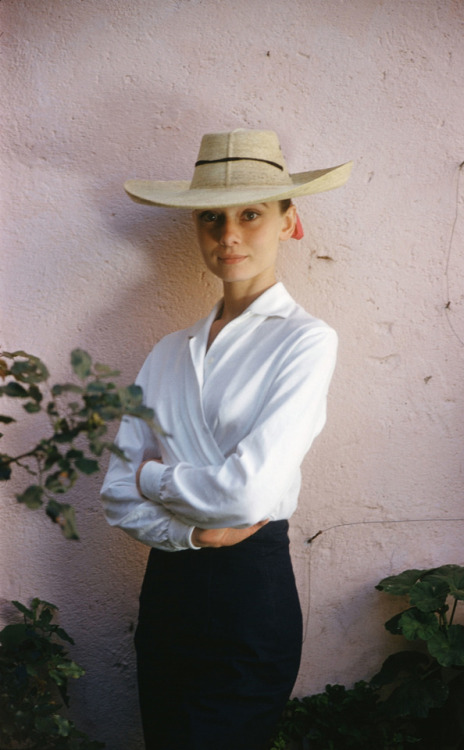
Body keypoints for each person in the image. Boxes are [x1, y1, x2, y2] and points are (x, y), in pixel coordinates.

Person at [100, 128, 352, 750]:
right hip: (167, 589)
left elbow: (246, 498)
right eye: (211, 218)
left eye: (250, 214)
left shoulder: (305, 341)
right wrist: (185, 531)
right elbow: (112, 492)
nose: (228, 235)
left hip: (249, 591)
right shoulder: (165, 354)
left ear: (289, 221)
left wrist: (154, 479)